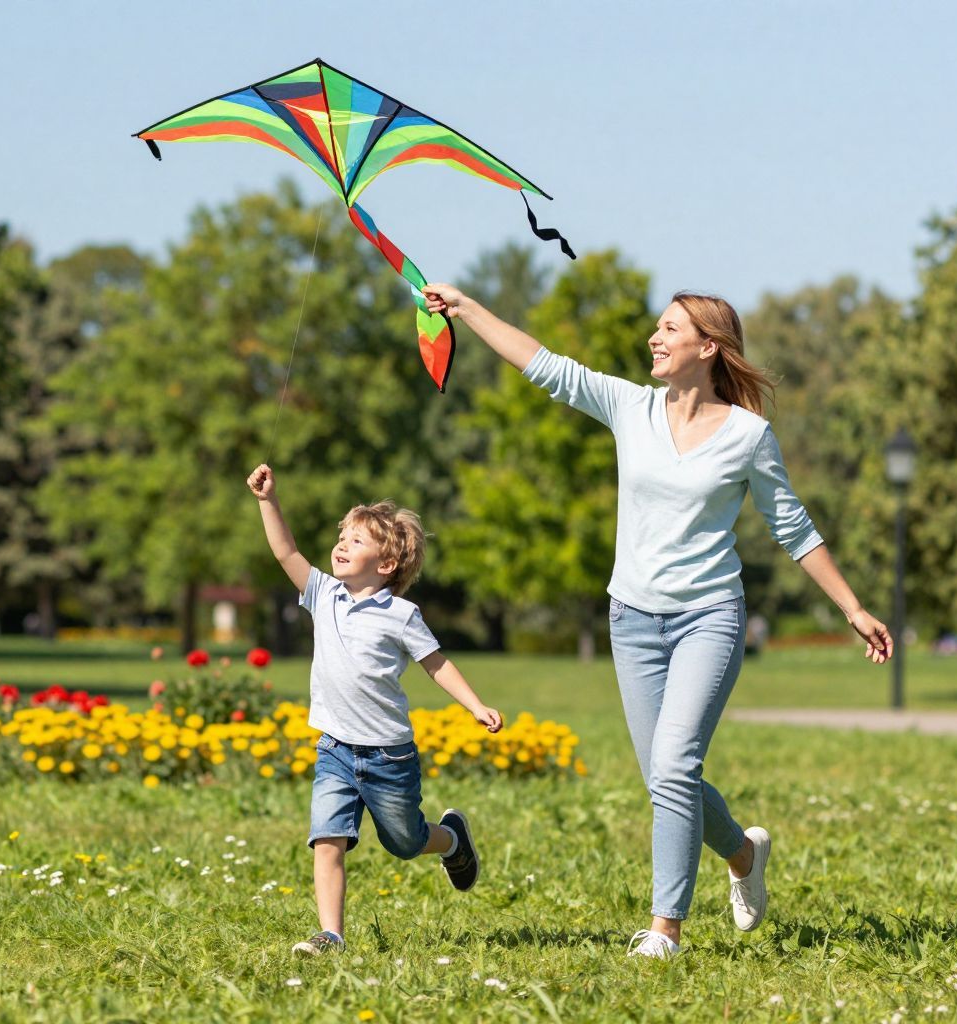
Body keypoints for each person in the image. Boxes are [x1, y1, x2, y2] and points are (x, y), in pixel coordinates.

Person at [421, 284, 893, 959]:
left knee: (673, 766)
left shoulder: (748, 436)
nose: (655, 338)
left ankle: (664, 928)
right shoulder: (628, 407)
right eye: (657, 328)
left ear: (708, 347)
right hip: (633, 622)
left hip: (708, 617)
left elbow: (792, 527)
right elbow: (543, 364)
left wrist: (852, 606)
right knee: (667, 777)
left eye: (670, 329)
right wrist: (467, 311)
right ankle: (742, 855)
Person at [246, 464, 504, 957]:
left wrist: (475, 705)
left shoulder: (402, 615)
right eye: (341, 536)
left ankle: (450, 840)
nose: (341, 544)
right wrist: (267, 501)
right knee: (328, 839)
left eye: (356, 541)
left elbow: (437, 664)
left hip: (389, 758)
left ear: (386, 564)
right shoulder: (323, 593)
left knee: (405, 843)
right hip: (335, 750)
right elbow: (285, 551)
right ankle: (332, 935)